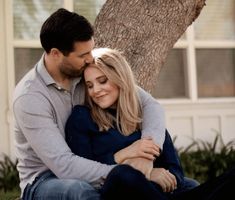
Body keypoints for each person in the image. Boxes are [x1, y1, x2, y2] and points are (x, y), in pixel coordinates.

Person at [13, 8, 169, 200]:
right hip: (44, 180)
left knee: (189, 186)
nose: (90, 59)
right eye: (82, 55)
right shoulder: (30, 98)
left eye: (91, 50)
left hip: (100, 166)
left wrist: (146, 154)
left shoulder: (86, 73)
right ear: (55, 54)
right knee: (81, 192)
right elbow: (64, 166)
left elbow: (149, 104)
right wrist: (135, 176)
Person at [65, 48, 235, 200]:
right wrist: (129, 157)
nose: (95, 90)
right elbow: (84, 171)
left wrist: (155, 178)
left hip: (160, 194)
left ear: (120, 79)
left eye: (102, 81)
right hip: (121, 193)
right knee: (122, 174)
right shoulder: (82, 118)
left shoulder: (147, 117)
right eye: (89, 85)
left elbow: (175, 170)